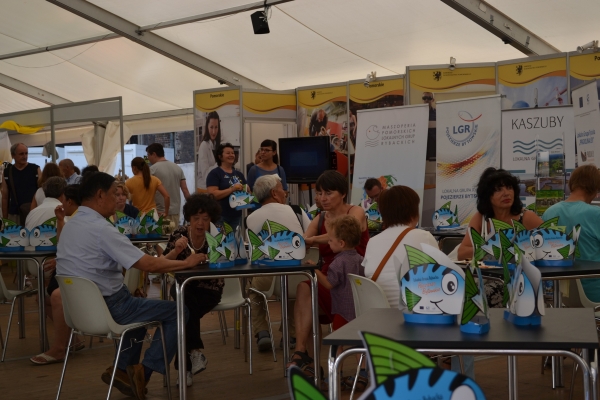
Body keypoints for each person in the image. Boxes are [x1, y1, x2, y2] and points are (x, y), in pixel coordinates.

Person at [56, 172, 205, 399]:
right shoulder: (102, 229)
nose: (119, 199)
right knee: (179, 311)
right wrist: (186, 262)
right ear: (100, 195)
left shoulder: (69, 226)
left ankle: (123, 371)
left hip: (79, 312)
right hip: (110, 307)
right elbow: (148, 264)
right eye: (114, 194)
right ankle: (143, 372)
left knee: (138, 312)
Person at [287, 171, 369, 376]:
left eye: (328, 193)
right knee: (304, 287)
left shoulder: (356, 211)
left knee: (308, 290)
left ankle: (358, 369)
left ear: (343, 194)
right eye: (319, 193)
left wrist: (313, 240)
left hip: (353, 282)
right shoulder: (320, 217)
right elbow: (304, 241)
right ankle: (303, 354)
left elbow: (346, 231)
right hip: (329, 278)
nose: (322, 198)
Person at [164, 194, 223, 387]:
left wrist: (211, 258)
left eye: (205, 219)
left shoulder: (217, 236)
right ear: (189, 217)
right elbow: (163, 263)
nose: (200, 223)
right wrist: (176, 251)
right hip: (184, 288)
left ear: (211, 219)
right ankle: (195, 353)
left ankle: (185, 369)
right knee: (184, 303)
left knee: (183, 313)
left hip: (209, 289)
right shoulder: (179, 234)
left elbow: (227, 262)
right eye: (196, 218)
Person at [246, 175, 310, 351]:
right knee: (294, 293)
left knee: (254, 292)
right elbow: (310, 238)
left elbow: (254, 253)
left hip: (268, 277)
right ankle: (291, 334)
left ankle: (262, 332)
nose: (285, 192)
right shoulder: (297, 211)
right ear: (274, 193)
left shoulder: (251, 218)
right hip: (297, 275)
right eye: (282, 188)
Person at [29, 182, 83, 366]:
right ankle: (73, 340)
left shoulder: (79, 220)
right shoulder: (71, 219)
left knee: (55, 296)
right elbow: (64, 244)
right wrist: (60, 221)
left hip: (77, 274)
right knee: (43, 298)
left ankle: (60, 347)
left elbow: (79, 250)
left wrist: (61, 260)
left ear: (70, 201)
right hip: (69, 270)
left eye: (64, 200)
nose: (62, 203)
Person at [362, 185, 438, 309]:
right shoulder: (424, 237)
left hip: (378, 314)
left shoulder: (372, 241)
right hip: (414, 314)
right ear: (413, 212)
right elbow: (439, 275)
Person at [457, 167, 542, 262]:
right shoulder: (481, 218)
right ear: (487, 196)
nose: (506, 193)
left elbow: (550, 246)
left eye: (509, 188)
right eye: (498, 190)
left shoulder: (527, 217)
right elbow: (462, 253)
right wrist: (492, 250)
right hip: (490, 271)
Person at [543, 165, 600, 301]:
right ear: (595, 188)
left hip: (559, 294)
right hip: (594, 292)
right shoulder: (595, 214)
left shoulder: (549, 213)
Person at [146, 143, 191, 227]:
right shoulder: (177, 168)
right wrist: (192, 206)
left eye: (148, 155)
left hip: (159, 212)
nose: (148, 158)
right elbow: (185, 190)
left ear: (154, 154)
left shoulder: (152, 170)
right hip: (175, 212)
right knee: (173, 234)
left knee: (160, 235)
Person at [206, 143, 246, 230]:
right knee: (220, 239)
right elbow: (213, 195)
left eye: (232, 153)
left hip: (237, 216)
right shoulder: (214, 173)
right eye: (228, 153)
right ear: (220, 156)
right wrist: (232, 189)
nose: (231, 155)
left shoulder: (239, 174)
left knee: (235, 239)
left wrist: (247, 191)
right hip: (220, 217)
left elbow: (246, 196)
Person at [1, 143, 41, 224]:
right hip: (14, 214)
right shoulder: (7, 172)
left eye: (26, 153)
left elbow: (41, 192)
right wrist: (5, 220)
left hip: (33, 213)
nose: (25, 156)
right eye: (21, 154)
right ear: (13, 155)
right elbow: (5, 197)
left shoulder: (35, 169)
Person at [197, 111, 221, 191]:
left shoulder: (216, 145)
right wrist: (219, 163)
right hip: (203, 189)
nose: (214, 131)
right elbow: (206, 176)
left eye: (216, 127)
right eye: (211, 127)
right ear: (207, 127)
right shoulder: (204, 146)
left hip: (214, 188)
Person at [423, 91, 437, 160]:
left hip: (433, 143)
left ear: (433, 100)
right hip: (422, 143)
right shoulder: (418, 113)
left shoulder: (437, 113)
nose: (426, 100)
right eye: (424, 98)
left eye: (429, 98)